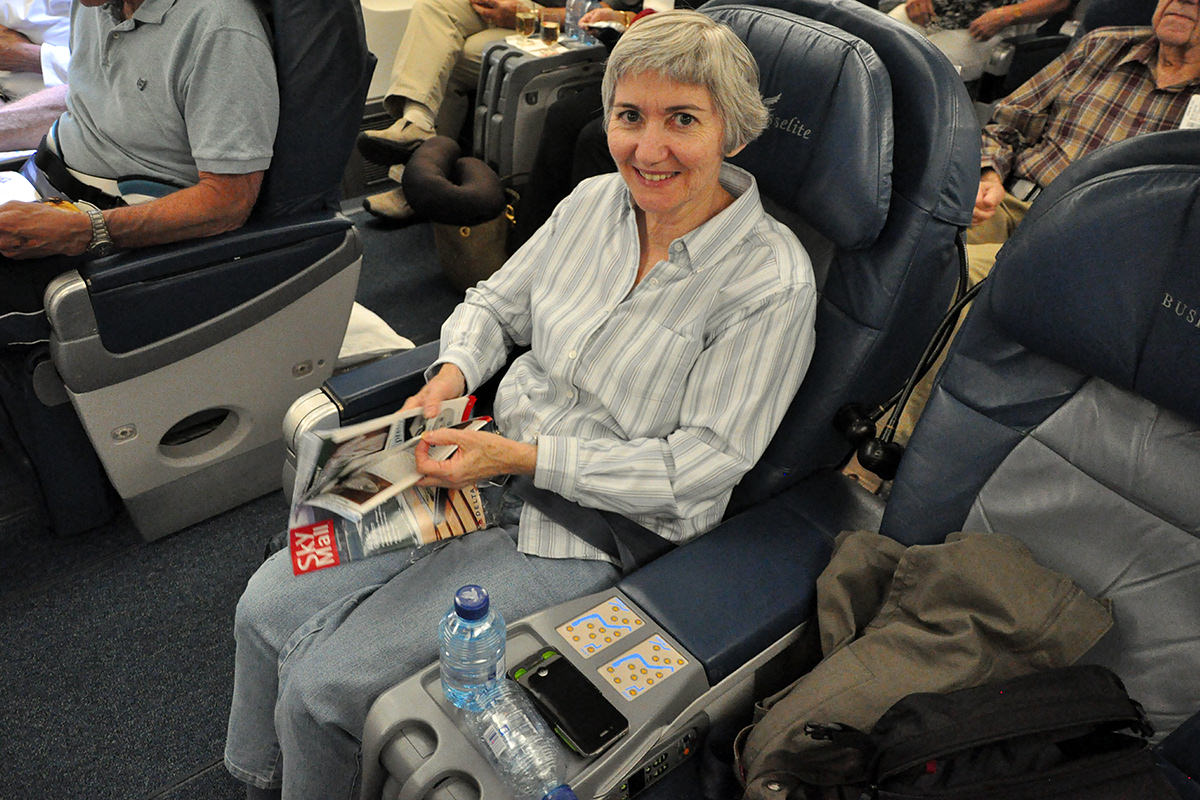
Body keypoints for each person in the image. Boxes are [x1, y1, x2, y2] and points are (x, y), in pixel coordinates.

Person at [224, 10, 817, 799]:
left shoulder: (768, 283)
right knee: (267, 604)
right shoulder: (592, 204)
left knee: (329, 685)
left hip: (591, 527)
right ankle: (262, 776)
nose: (649, 148)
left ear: (733, 133)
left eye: (683, 120)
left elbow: (697, 471)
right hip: (483, 461)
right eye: (629, 116)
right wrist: (451, 375)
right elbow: (496, 306)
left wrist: (521, 458)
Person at [891, 0, 1200, 446]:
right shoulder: (1102, 46)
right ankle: (845, 394)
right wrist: (989, 173)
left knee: (959, 275)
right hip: (1017, 204)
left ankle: (889, 447)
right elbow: (1007, 123)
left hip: (1105, 252)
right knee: (912, 237)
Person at [0, 0, 279, 336]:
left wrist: (85, 230)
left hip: (114, 249)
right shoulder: (97, 5)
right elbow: (91, 96)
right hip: (38, 189)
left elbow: (229, 202)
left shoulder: (222, 32)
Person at [887, 0, 1071, 81]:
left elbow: (1057, 2)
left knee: (920, 66)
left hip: (987, 26)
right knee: (874, 43)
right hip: (932, 12)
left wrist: (1006, 15)